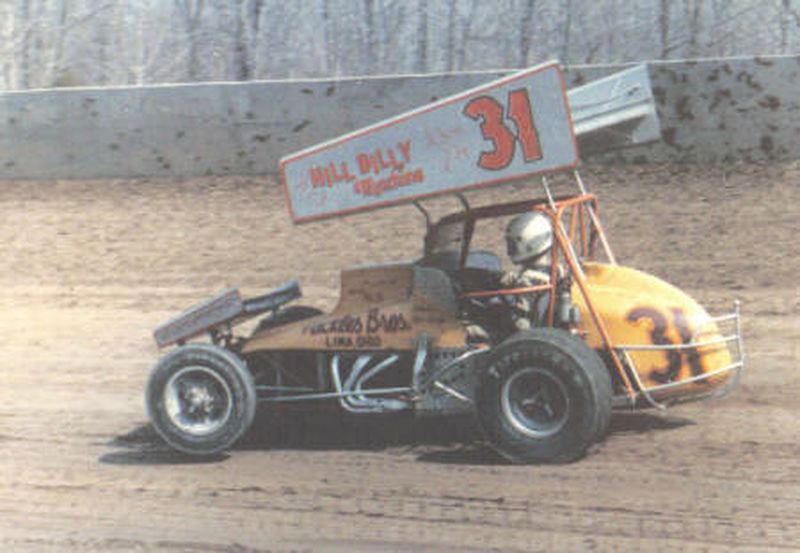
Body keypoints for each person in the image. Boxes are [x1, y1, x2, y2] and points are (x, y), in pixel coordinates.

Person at [499, 211, 561, 331]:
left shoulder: (527, 281)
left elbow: (521, 325)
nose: (509, 251)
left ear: (529, 244)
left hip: (532, 338)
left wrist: (505, 294)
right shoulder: (557, 270)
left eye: (512, 244)